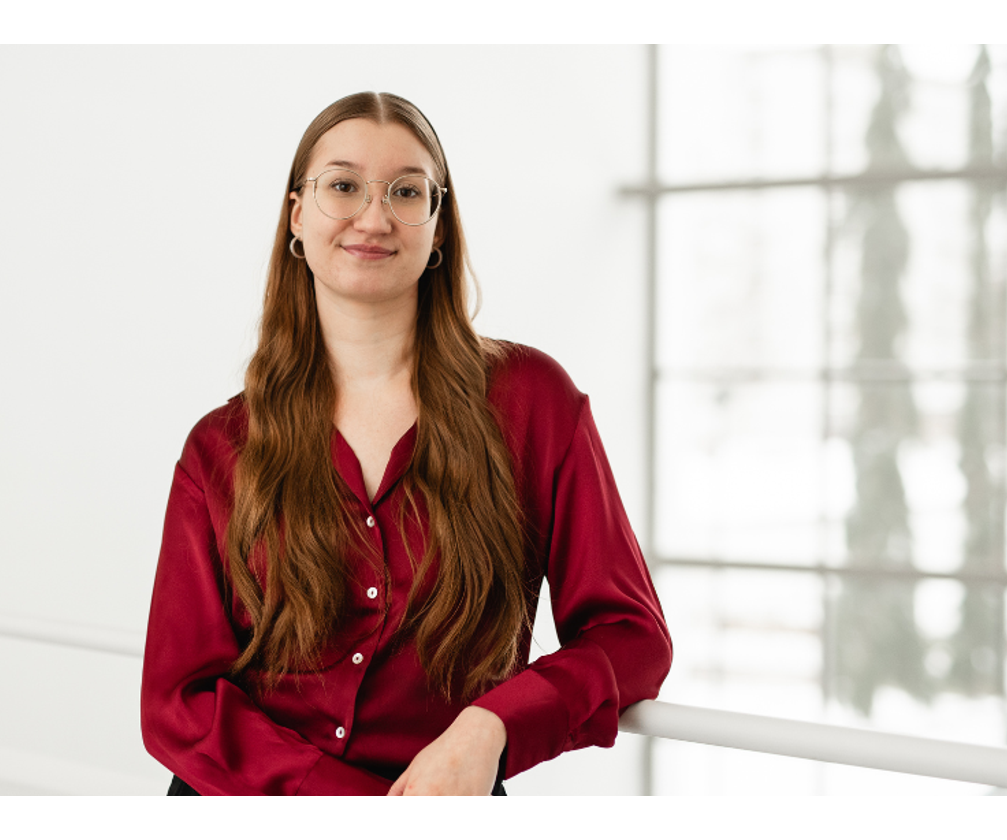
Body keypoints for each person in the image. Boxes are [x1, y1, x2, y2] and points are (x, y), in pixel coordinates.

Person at [140, 91, 671, 796]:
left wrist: (493, 725)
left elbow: (630, 635)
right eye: (343, 185)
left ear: (439, 225)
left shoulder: (535, 404)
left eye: (406, 190)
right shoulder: (219, 447)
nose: (374, 215)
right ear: (297, 216)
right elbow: (178, 702)